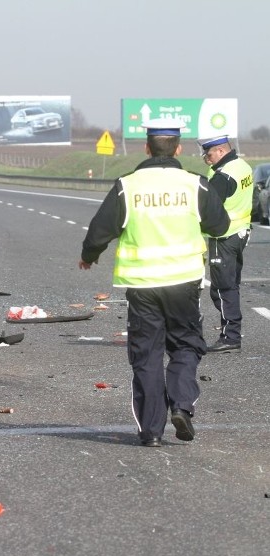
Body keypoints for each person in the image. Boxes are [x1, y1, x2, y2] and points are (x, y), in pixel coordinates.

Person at [78, 118, 230, 447]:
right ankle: (182, 406)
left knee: (146, 355)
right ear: (177, 149)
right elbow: (220, 226)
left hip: (142, 284)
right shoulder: (196, 185)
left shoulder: (127, 186)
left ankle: (151, 432)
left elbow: (100, 229)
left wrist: (89, 256)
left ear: (146, 148)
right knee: (186, 345)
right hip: (184, 282)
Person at [198, 135, 254, 353]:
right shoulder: (242, 166)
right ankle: (231, 334)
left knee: (222, 288)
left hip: (224, 236)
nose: (206, 158)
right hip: (240, 233)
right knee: (231, 285)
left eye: (209, 154)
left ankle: (230, 336)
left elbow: (207, 208)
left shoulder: (223, 176)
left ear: (221, 151)